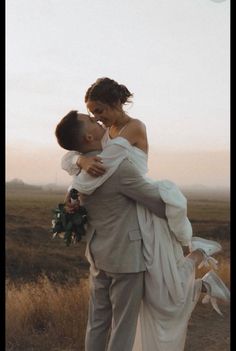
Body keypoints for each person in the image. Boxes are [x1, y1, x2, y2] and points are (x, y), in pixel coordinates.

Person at [55, 79, 230, 351]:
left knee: (151, 298)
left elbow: (100, 165)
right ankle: (199, 271)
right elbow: (78, 156)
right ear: (88, 136)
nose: (95, 118)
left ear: (114, 104)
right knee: (143, 305)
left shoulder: (127, 136)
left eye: (98, 111)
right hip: (117, 246)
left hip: (120, 238)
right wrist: (80, 161)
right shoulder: (97, 157)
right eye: (90, 115)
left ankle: (197, 264)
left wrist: (78, 173)